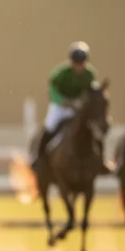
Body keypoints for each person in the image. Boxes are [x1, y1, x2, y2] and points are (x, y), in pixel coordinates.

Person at [32, 41, 109, 174]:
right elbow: (52, 90)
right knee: (49, 127)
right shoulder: (61, 73)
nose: (79, 66)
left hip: (79, 107)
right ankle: (38, 159)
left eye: (82, 62)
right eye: (76, 62)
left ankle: (101, 162)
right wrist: (63, 101)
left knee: (94, 132)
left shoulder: (90, 74)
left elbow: (92, 92)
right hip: (61, 106)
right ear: (71, 61)